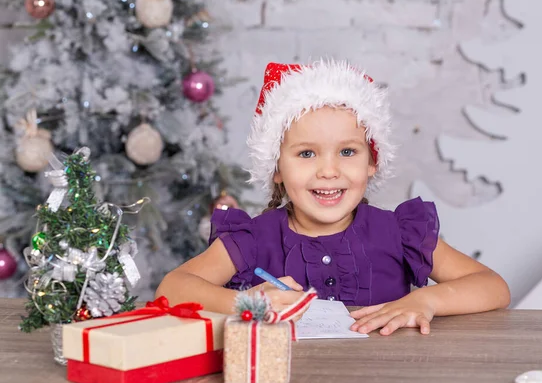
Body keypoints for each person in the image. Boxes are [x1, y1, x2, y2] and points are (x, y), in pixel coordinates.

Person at [156, 59, 510, 335]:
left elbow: (493, 287)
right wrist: (247, 302)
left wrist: (426, 300)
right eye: (307, 154)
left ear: (372, 162)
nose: (329, 171)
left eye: (347, 152)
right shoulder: (253, 239)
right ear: (276, 168)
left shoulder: (399, 233)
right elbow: (171, 288)